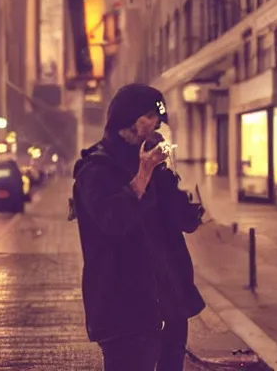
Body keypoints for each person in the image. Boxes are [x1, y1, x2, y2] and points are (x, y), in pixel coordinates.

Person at [72, 83, 206, 371]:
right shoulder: (96, 169)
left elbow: (180, 219)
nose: (156, 123)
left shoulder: (154, 162)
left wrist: (179, 190)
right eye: (150, 116)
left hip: (168, 304)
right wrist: (143, 174)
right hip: (124, 310)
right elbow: (114, 220)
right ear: (129, 119)